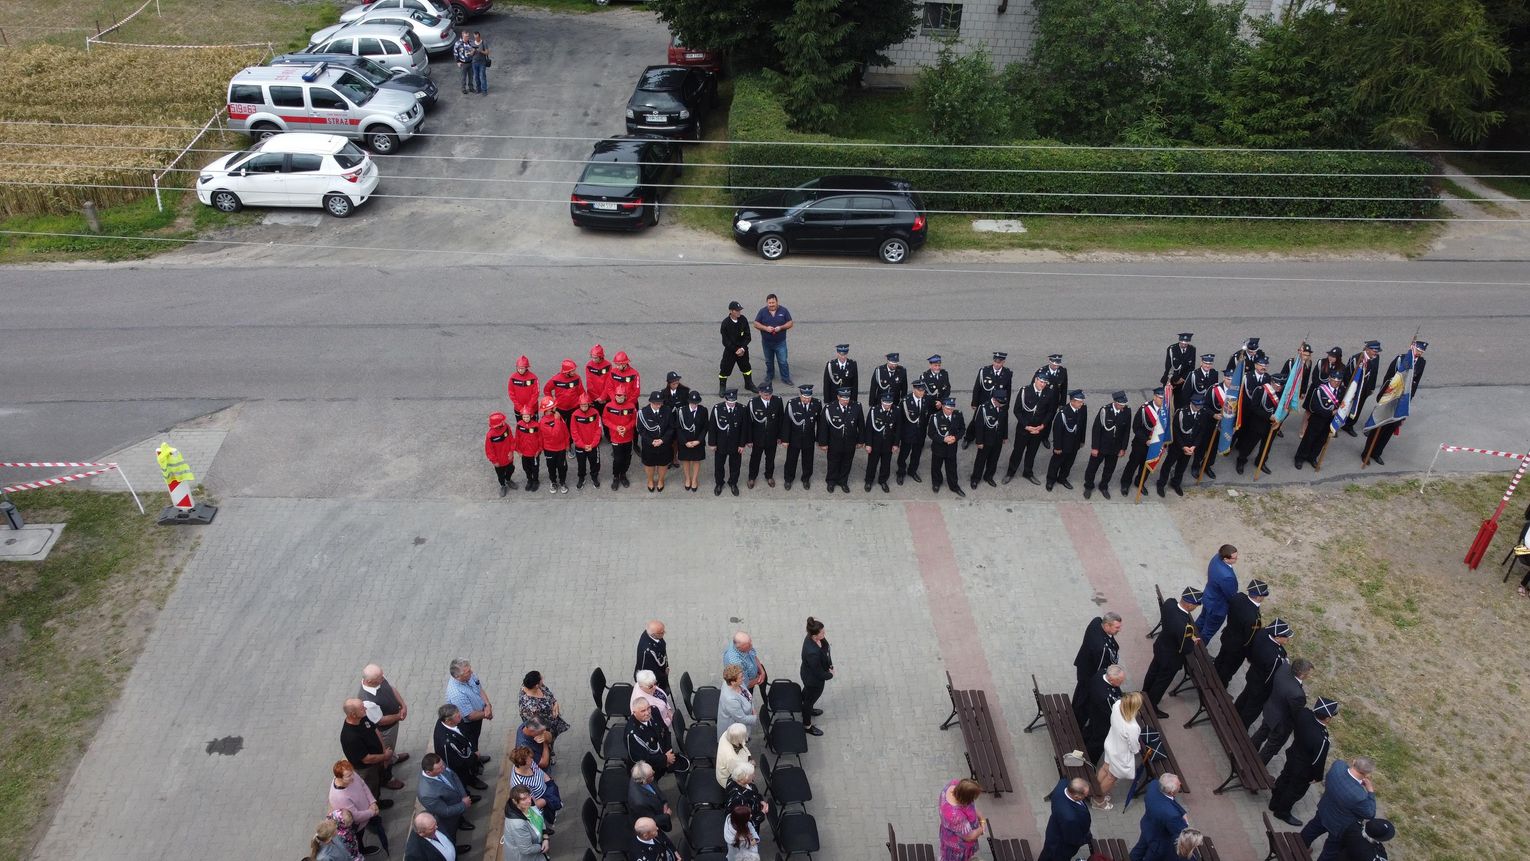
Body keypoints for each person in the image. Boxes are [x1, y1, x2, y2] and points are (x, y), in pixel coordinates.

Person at [1269, 698, 1339, 827]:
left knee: (1284, 778)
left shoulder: (1304, 714)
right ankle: (1282, 812)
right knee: (1294, 791)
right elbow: (1318, 761)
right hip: (1303, 769)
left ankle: (1274, 802)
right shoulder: (1322, 739)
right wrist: (1317, 777)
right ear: (1328, 719)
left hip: (1292, 755)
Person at [1301, 756, 1378, 861]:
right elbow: (1370, 814)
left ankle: (1300, 847)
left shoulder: (1338, 766)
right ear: (1367, 774)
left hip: (1324, 810)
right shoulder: (1360, 796)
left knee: (1311, 830)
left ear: (1354, 762)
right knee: (1330, 851)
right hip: (1340, 826)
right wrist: (1370, 791)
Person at [1363, 340, 1427, 465]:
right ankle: (1366, 453)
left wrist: (1408, 400)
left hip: (1401, 400)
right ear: (1412, 347)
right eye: (1418, 350)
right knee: (1379, 427)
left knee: (1389, 429)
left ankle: (1377, 453)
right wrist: (1385, 395)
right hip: (1390, 397)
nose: (1419, 353)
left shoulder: (1421, 363)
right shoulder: (1400, 359)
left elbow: (1415, 383)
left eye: (1421, 351)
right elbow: (1388, 378)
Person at [1141, 588, 1202, 717]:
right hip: (1171, 658)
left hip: (1160, 646)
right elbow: (1187, 649)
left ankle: (1144, 693)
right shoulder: (1184, 628)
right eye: (1196, 605)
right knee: (1161, 682)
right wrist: (1192, 642)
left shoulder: (1170, 603)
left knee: (1153, 671)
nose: (1196, 607)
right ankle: (1152, 706)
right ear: (1189, 605)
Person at [1252, 657, 1313, 764]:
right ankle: (1256, 767)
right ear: (1302, 675)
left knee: (1261, 733)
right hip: (1280, 724)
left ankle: (1249, 750)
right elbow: (1296, 714)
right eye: (1308, 673)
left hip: (1270, 710)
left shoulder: (1284, 668)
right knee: (1270, 747)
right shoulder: (1298, 695)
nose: (1310, 675)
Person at [1235, 618, 1293, 727]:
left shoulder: (1262, 633)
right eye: (1286, 636)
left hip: (1252, 674)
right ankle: (1240, 727)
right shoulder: (1275, 658)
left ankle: (1234, 712)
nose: (1288, 639)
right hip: (1260, 687)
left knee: (1244, 696)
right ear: (1277, 637)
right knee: (1252, 709)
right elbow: (1269, 678)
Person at [359, 664, 410, 783]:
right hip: (386, 730)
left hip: (393, 723)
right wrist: (399, 716)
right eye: (380, 678)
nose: (383, 678)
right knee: (385, 752)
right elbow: (380, 721)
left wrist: (403, 705)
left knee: (391, 748)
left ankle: (393, 758)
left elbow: (391, 689)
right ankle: (386, 778)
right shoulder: (367, 701)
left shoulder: (378, 679)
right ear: (369, 681)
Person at [341, 698, 400, 799]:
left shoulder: (362, 717)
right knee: (371, 787)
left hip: (378, 758)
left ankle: (383, 782)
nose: (365, 709)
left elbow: (375, 730)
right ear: (353, 715)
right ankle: (376, 803)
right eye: (362, 708)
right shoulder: (350, 737)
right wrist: (385, 756)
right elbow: (367, 759)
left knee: (379, 776)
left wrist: (383, 750)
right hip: (367, 768)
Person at [1213, 578, 1267, 685]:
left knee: (1220, 659)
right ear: (1258, 597)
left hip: (1227, 635)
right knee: (1228, 669)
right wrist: (1249, 654)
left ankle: (1213, 675)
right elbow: (1249, 639)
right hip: (1237, 649)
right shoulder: (1254, 618)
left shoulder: (1238, 597)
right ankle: (1220, 686)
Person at [1095, 691, 1144, 809]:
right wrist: (1137, 750)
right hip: (1119, 754)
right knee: (1111, 777)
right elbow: (1133, 746)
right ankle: (1098, 800)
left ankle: (1094, 791)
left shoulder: (1117, 705)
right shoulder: (1132, 727)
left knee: (1105, 768)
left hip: (1110, 743)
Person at [1072, 613, 1122, 724]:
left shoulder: (1096, 622)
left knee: (1080, 691)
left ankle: (1073, 711)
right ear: (1107, 626)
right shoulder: (1102, 648)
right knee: (1085, 700)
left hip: (1083, 665)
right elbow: (1100, 669)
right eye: (1116, 627)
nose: (1119, 630)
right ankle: (1077, 722)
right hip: (1089, 674)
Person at [1004, 372, 1054, 485]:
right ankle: (1010, 472)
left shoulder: (1049, 392)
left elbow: (1050, 411)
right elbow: (1017, 411)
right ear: (1036, 380)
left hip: (1038, 430)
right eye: (1041, 381)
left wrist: (1043, 425)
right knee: (1017, 452)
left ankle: (1028, 472)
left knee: (1032, 453)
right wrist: (1026, 426)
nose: (1043, 384)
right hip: (1024, 429)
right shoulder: (1025, 391)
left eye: (1045, 382)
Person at [329, 760, 383, 857]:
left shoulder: (350, 774)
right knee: (358, 837)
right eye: (348, 776)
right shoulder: (340, 797)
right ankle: (362, 849)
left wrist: (372, 802)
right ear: (339, 777)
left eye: (352, 773)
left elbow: (362, 784)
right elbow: (356, 816)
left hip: (368, 811)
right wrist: (372, 812)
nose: (353, 777)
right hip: (358, 824)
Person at [1129, 773, 1188, 861]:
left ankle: (1133, 858)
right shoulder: (1172, 815)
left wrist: (1182, 812)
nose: (1180, 783)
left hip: (1147, 826)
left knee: (1141, 847)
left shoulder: (1154, 785)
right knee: (1153, 856)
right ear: (1171, 792)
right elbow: (1180, 830)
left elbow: (1170, 801)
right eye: (1178, 783)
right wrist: (1185, 823)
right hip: (1158, 840)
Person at [1083, 391, 1131, 499]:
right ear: (1115, 402)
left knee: (1109, 469)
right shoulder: (1105, 410)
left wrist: (1123, 448)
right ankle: (1088, 486)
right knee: (1092, 468)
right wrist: (1095, 447)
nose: (1122, 407)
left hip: (1115, 448)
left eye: (1124, 404)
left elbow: (1126, 431)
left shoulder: (1127, 411)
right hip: (1101, 446)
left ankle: (1103, 486)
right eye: (1121, 405)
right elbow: (1096, 430)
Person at [416, 752, 474, 839]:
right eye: (440, 768)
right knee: (451, 834)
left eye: (443, 765)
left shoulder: (440, 764)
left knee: (458, 818)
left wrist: (463, 795)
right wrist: (463, 804)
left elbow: (454, 776)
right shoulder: (426, 794)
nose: (444, 768)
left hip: (459, 803)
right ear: (428, 772)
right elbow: (445, 811)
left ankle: (460, 821)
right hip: (449, 819)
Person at [1235, 369, 1282, 475]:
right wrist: (1269, 416)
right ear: (1272, 382)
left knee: (1266, 446)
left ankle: (1261, 462)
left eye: (1281, 385)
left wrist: (1279, 419)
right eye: (1278, 385)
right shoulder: (1260, 391)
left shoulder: (1282, 394)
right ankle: (1241, 460)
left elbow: (1284, 408)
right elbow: (1254, 408)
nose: (1279, 387)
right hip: (1258, 424)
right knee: (1249, 444)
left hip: (1273, 425)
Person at [1119, 388, 1165, 496]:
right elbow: (1136, 427)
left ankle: (1140, 482)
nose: (1162, 401)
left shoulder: (1165, 411)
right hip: (1141, 443)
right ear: (1154, 397)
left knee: (1146, 466)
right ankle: (1125, 483)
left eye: (1164, 399)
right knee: (1133, 464)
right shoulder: (1145, 409)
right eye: (1160, 398)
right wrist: (1146, 440)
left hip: (1155, 444)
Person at [1155, 396, 1204, 497]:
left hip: (1190, 447)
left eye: (1200, 406)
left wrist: (1194, 446)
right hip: (1177, 446)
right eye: (1197, 406)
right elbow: (1175, 431)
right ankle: (1161, 483)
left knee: (1182, 467)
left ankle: (1176, 483)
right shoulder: (1181, 412)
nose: (1198, 408)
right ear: (1192, 403)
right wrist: (1183, 446)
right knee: (1168, 465)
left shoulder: (1201, 413)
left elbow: (1200, 432)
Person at [818, 386, 863, 494]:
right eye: (843, 399)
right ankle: (831, 481)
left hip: (850, 442)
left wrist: (861, 441)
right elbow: (823, 427)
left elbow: (861, 425)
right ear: (838, 397)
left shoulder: (856, 406)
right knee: (833, 462)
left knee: (847, 462)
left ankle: (843, 481)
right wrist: (823, 443)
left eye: (847, 399)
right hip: (834, 442)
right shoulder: (829, 408)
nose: (846, 401)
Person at [1079, 664, 1126, 767]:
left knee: (1090, 730)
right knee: (1098, 740)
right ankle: (1090, 761)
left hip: (1093, 710)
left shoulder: (1102, 673)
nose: (1121, 683)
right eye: (1120, 681)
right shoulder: (1106, 697)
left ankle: (1081, 743)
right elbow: (1114, 712)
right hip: (1102, 719)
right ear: (1111, 679)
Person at [1295, 370, 1343, 470]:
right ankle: (1300, 458)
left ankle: (1312, 457)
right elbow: (1314, 407)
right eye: (1334, 380)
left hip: (1329, 421)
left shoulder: (1341, 391)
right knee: (1308, 439)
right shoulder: (1319, 390)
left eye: (1338, 381)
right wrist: (1331, 413)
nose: (1336, 383)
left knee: (1321, 440)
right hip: (1317, 420)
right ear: (1329, 379)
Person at [445, 658, 493, 754]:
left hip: (479, 714)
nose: (472, 672)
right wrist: (486, 714)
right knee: (471, 742)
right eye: (468, 672)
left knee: (475, 737)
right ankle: (474, 758)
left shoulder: (469, 676)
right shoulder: (456, 694)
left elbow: (479, 689)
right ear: (457, 676)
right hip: (468, 724)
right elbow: (470, 716)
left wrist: (487, 705)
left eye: (470, 669)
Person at [435, 704, 487, 790]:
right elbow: (456, 764)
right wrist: (473, 757)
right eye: (458, 716)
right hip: (459, 764)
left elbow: (467, 733)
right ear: (448, 721)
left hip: (466, 751)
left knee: (472, 761)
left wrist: (474, 749)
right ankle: (468, 788)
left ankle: (474, 770)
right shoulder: (446, 743)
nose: (461, 716)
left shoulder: (455, 719)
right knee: (462, 778)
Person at [1038, 777, 1091, 861]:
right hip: (1061, 844)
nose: (1087, 796)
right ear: (1076, 796)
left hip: (1054, 828)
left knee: (1047, 853)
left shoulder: (1062, 784)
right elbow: (1073, 839)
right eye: (1085, 795)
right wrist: (1086, 838)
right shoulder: (1070, 818)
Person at [1046, 389, 1088, 491]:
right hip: (1063, 444)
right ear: (1072, 401)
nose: (1081, 404)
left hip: (1075, 443)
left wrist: (1082, 440)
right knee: (1056, 463)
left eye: (1082, 402)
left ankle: (1062, 478)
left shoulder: (1082, 409)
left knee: (1069, 463)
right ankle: (1051, 480)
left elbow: (1083, 425)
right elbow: (1057, 431)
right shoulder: (1063, 413)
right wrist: (1057, 447)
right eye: (1079, 402)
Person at [781, 384, 821, 490]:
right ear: (800, 395)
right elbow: (786, 422)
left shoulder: (817, 404)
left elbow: (820, 423)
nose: (807, 400)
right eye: (804, 397)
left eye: (809, 398)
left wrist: (819, 440)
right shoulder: (792, 404)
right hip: (794, 438)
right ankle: (788, 479)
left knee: (808, 460)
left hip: (809, 438)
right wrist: (785, 439)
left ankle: (806, 479)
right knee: (791, 460)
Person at [626, 698, 677, 779]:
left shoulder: (654, 711)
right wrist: (665, 759)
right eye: (643, 711)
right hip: (647, 771)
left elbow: (665, 731)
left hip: (663, 756)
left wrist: (668, 752)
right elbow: (643, 759)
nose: (647, 713)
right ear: (634, 713)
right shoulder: (633, 734)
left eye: (648, 708)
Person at [938, 778, 988, 861]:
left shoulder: (953, 785)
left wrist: (981, 817)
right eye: (973, 798)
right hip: (957, 845)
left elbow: (971, 807)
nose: (973, 800)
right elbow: (970, 836)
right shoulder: (955, 816)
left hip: (947, 834)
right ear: (965, 798)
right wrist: (981, 828)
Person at [967, 389, 1009, 489]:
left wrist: (1004, 436)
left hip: (998, 439)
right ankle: (975, 478)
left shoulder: (1003, 406)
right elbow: (979, 426)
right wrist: (979, 441)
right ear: (994, 399)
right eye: (1000, 402)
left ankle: (989, 476)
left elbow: (1004, 422)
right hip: (986, 440)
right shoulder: (983, 408)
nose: (1001, 404)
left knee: (994, 459)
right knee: (980, 461)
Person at [1196, 545, 1240, 640]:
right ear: (1226, 559)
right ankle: (1198, 647)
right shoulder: (1227, 576)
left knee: (1201, 620)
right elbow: (1231, 595)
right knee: (1208, 631)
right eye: (1235, 558)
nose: (1237, 559)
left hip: (1208, 598)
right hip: (1217, 608)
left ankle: (1191, 637)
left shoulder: (1216, 557)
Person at [745, 382, 784, 488]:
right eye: (765, 395)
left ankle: (769, 476)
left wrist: (780, 436)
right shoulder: (753, 403)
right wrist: (749, 440)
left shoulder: (778, 401)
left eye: (770, 394)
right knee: (755, 459)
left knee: (770, 458)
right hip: (757, 438)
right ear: (760, 393)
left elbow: (781, 419)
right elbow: (748, 423)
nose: (768, 397)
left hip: (772, 437)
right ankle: (752, 477)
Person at [1340, 340, 1383, 436]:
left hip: (1364, 389)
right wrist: (1348, 389)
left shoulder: (1375, 357)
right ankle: (1335, 425)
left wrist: (1371, 388)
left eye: (1377, 351)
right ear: (1367, 349)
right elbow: (1347, 374)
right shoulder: (1356, 358)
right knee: (1345, 406)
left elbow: (1374, 373)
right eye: (1374, 351)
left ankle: (1349, 425)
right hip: (1353, 389)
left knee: (1358, 408)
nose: (1376, 353)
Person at [710, 389, 747, 496]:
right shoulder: (717, 408)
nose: (732, 404)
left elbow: (744, 428)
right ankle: (719, 483)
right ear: (725, 399)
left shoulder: (742, 409)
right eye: (730, 402)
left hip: (735, 443)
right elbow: (712, 426)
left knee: (735, 465)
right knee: (719, 465)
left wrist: (742, 444)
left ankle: (733, 483)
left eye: (734, 401)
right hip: (720, 443)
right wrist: (712, 443)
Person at [799, 616, 833, 736]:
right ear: (815, 636)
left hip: (810, 675)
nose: (824, 633)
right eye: (822, 632)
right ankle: (807, 725)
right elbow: (818, 673)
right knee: (809, 701)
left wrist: (830, 664)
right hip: (813, 680)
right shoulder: (812, 652)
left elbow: (826, 650)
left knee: (807, 696)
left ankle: (803, 704)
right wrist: (830, 675)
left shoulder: (815, 638)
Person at [752, 293, 794, 387]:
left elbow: (790, 323)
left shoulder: (784, 310)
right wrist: (765, 328)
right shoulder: (762, 311)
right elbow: (755, 323)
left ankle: (786, 378)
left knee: (783, 361)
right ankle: (770, 376)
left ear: (777, 302)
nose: (771, 305)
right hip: (767, 343)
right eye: (769, 303)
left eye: (773, 302)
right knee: (768, 361)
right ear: (767, 303)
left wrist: (781, 327)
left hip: (780, 342)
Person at [928, 397, 967, 497]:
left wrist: (956, 438)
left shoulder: (958, 415)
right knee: (936, 467)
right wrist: (943, 439)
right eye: (948, 409)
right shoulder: (935, 417)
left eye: (952, 409)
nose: (950, 411)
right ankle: (936, 483)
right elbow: (931, 433)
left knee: (952, 468)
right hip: (938, 448)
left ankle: (954, 486)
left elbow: (962, 429)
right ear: (943, 407)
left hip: (951, 448)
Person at [501, 785, 551, 861]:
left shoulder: (528, 804)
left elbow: (539, 819)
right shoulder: (518, 825)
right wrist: (542, 846)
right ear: (515, 801)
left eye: (529, 796)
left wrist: (545, 837)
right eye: (524, 799)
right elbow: (526, 849)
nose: (529, 800)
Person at [638, 391, 675, 492]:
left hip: (664, 443)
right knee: (649, 464)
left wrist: (662, 440)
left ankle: (661, 480)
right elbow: (641, 429)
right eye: (656, 403)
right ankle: (650, 480)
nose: (659, 405)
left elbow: (671, 427)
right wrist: (651, 441)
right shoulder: (643, 412)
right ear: (650, 402)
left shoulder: (667, 410)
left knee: (663, 463)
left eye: (660, 403)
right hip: (649, 444)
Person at [966, 351, 1013, 431]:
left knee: (996, 422)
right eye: (995, 362)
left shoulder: (1007, 373)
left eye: (999, 363)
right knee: (978, 421)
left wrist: (1006, 405)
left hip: (998, 403)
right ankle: (971, 436)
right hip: (984, 400)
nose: (996, 364)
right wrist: (974, 403)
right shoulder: (984, 371)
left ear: (1003, 362)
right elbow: (977, 387)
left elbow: (1008, 391)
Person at [863, 392, 899, 492]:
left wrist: (896, 444)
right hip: (875, 443)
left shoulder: (896, 410)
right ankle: (869, 481)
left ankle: (883, 480)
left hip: (888, 442)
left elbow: (898, 428)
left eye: (889, 403)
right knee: (872, 463)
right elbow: (869, 428)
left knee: (886, 464)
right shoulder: (874, 410)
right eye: (886, 403)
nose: (888, 405)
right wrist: (868, 444)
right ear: (881, 401)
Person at [896, 377, 931, 484]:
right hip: (908, 433)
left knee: (916, 454)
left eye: (923, 390)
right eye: (920, 390)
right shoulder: (905, 401)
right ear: (914, 389)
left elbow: (929, 413)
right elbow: (899, 420)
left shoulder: (926, 399)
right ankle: (901, 472)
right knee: (904, 454)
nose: (922, 392)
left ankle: (912, 471)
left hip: (920, 433)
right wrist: (898, 437)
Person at [518, 670, 569, 741]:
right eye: (541, 678)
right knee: (551, 740)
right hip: (545, 726)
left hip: (552, 719)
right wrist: (546, 736)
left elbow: (548, 693)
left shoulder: (533, 684)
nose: (543, 678)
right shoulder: (530, 707)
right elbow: (535, 726)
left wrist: (555, 702)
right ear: (536, 685)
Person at [603, 385, 638, 490]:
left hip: (628, 437)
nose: (619, 397)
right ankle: (615, 476)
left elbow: (634, 420)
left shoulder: (631, 406)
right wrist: (616, 428)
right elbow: (605, 419)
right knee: (618, 459)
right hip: (615, 438)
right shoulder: (609, 406)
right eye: (618, 395)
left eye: (621, 396)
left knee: (627, 458)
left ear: (625, 396)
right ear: (615, 396)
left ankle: (623, 475)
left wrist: (626, 428)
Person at [719, 300, 755, 395]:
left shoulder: (743, 320)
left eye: (740, 310)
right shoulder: (725, 323)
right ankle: (722, 386)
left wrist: (742, 348)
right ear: (731, 311)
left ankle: (749, 384)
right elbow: (725, 341)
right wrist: (736, 349)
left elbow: (748, 336)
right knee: (725, 369)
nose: (739, 312)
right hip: (730, 351)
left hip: (743, 351)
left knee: (746, 368)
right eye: (737, 310)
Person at [628, 761, 674, 831]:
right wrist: (667, 815)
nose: (654, 772)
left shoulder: (640, 775)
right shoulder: (640, 802)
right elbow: (650, 820)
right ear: (644, 781)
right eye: (651, 775)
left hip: (659, 806)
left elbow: (656, 789)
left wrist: (664, 802)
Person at [537, 396, 571, 494]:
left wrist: (567, 444)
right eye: (553, 407)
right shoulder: (543, 422)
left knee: (562, 467)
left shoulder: (558, 417)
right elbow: (554, 434)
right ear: (548, 409)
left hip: (561, 448)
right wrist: (556, 420)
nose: (555, 408)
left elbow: (565, 431)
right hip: (550, 449)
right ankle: (553, 482)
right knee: (551, 467)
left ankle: (562, 482)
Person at [676, 390, 707, 492]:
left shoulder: (703, 410)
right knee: (686, 460)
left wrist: (699, 440)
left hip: (697, 441)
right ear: (688, 401)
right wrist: (685, 442)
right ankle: (687, 478)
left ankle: (694, 479)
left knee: (696, 460)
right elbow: (678, 428)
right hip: (685, 441)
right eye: (692, 402)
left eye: (696, 403)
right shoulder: (681, 411)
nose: (694, 405)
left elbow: (705, 427)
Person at [569, 395, 603, 489]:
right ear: (579, 405)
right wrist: (583, 445)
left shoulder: (595, 413)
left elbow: (598, 429)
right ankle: (581, 478)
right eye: (582, 405)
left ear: (589, 404)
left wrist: (593, 444)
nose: (584, 407)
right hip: (580, 446)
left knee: (595, 463)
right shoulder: (574, 415)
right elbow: (574, 432)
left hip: (593, 445)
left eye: (585, 405)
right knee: (581, 464)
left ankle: (594, 476)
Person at [716, 664, 758, 740]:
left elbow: (748, 697)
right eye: (741, 677)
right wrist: (755, 717)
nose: (743, 678)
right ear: (733, 682)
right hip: (734, 732)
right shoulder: (731, 699)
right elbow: (742, 719)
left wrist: (751, 708)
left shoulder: (736, 683)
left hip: (741, 723)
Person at [724, 761, 769, 829]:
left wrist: (760, 801)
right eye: (752, 775)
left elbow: (754, 792)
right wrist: (762, 813)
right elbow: (747, 822)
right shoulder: (739, 799)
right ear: (744, 778)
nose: (754, 776)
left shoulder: (734, 777)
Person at [544, 359, 585, 427]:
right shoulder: (556, 379)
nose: (574, 372)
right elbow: (546, 390)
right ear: (567, 372)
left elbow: (581, 392)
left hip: (574, 407)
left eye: (574, 370)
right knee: (560, 427)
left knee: (572, 427)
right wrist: (551, 403)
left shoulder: (577, 378)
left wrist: (583, 403)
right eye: (572, 371)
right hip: (560, 409)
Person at [484, 412, 517, 496]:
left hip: (508, 458)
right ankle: (503, 485)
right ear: (497, 425)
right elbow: (489, 450)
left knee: (511, 469)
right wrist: (494, 461)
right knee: (500, 475)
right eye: (502, 421)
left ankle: (508, 480)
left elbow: (511, 439)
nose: (504, 422)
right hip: (499, 461)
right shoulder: (490, 435)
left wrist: (511, 451)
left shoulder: (506, 427)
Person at [635, 619, 670, 692]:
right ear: (654, 634)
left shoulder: (650, 634)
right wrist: (664, 677)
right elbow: (650, 672)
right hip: (651, 682)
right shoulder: (648, 651)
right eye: (662, 632)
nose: (664, 632)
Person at [513, 408, 542, 493]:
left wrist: (539, 450)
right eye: (524, 417)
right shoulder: (519, 425)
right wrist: (518, 450)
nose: (526, 418)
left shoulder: (536, 425)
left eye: (527, 417)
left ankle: (535, 481)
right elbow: (517, 438)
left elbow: (540, 438)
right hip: (524, 453)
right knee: (526, 467)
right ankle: (529, 480)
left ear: (531, 416)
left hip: (534, 453)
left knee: (535, 468)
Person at [716, 723, 751, 787]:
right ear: (739, 739)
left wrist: (748, 754)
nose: (747, 736)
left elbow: (742, 744)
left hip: (727, 768)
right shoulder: (732, 758)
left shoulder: (727, 734)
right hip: (727, 779)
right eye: (744, 735)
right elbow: (738, 776)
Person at [585, 344, 613, 408]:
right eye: (592, 357)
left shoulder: (608, 365)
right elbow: (589, 384)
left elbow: (608, 383)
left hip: (605, 398)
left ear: (601, 357)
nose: (593, 359)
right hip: (593, 398)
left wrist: (603, 397)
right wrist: (597, 398)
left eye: (595, 358)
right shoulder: (589, 366)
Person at [452, 30, 478, 95]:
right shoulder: (458, 44)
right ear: (462, 36)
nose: (467, 37)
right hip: (463, 63)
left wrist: (474, 51)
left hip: (471, 62)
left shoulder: (471, 42)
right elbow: (455, 53)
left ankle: (471, 88)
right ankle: (463, 89)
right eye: (466, 36)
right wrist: (457, 62)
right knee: (463, 77)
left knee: (471, 76)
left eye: (468, 36)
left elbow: (476, 48)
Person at [469, 31, 490, 96]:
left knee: (482, 76)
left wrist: (481, 51)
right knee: (476, 76)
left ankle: (484, 90)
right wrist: (473, 51)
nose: (476, 39)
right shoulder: (472, 43)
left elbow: (487, 52)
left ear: (479, 36)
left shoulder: (484, 43)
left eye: (477, 37)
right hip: (474, 63)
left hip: (482, 63)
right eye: (475, 37)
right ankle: (478, 89)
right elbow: (471, 54)